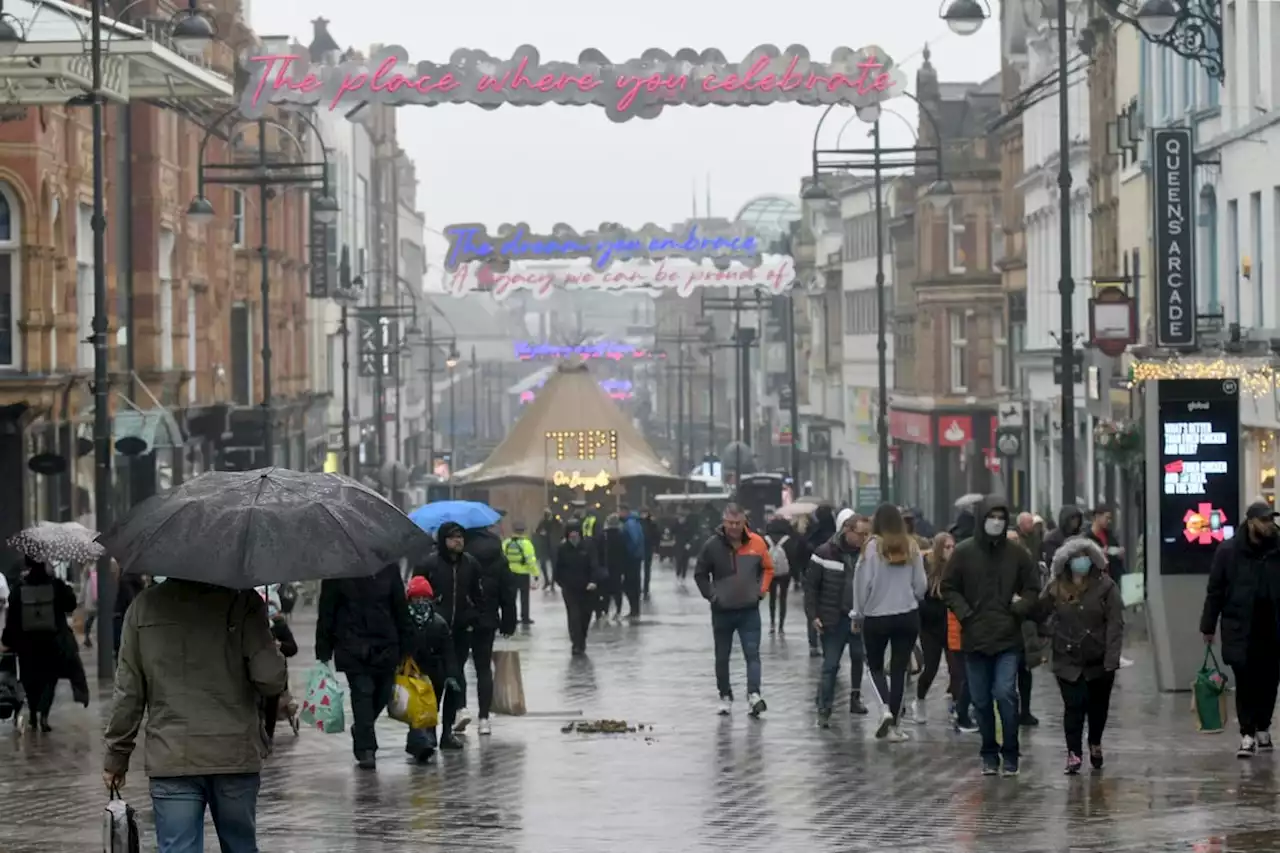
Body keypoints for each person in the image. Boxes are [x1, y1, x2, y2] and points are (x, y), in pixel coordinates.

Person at [103, 578, 287, 851]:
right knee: (240, 846)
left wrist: (117, 756)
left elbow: (129, 693)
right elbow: (270, 679)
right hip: (233, 752)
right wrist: (274, 652)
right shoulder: (243, 602)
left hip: (172, 753)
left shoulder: (144, 606)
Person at [941, 495, 1040, 776]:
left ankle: (1010, 752)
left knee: (1005, 694)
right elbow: (948, 587)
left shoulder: (1018, 554)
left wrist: (1019, 608)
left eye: (1000, 517)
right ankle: (989, 753)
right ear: (982, 519)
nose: (996, 522)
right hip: (975, 639)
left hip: (1008, 638)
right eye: (991, 516)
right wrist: (965, 613)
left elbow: (1033, 588)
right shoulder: (964, 552)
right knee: (981, 701)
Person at [1029, 536, 1123, 774]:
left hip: (1098, 659)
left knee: (1097, 707)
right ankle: (1073, 753)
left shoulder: (1106, 586)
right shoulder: (1056, 587)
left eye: (1085, 556)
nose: (1081, 562)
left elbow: (1115, 623)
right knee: (1074, 705)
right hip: (1066, 660)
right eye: (1075, 557)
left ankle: (1095, 742)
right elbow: (1039, 615)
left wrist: (1112, 658)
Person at [1200, 500, 1280, 758]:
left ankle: (1263, 726)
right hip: (1240, 626)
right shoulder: (1229, 551)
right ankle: (1247, 732)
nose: (1270, 525)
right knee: (1245, 680)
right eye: (1265, 520)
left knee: (1270, 680)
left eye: (1271, 520)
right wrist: (1208, 626)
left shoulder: (1278, 548)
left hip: (1273, 626)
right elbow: (1215, 591)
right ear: (1252, 522)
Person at [315, 563, 411, 770]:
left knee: (383, 694)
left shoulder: (388, 568)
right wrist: (323, 648)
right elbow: (327, 610)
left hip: (386, 644)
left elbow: (399, 606)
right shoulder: (338, 571)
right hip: (352, 644)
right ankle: (366, 748)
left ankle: (361, 729)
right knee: (362, 694)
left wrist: (407, 644)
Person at [851, 504, 927, 742]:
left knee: (873, 666)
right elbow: (921, 586)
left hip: (877, 616)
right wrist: (910, 597)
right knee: (899, 670)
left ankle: (884, 708)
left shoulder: (871, 548)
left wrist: (858, 614)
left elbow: (861, 585)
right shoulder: (911, 546)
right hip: (907, 616)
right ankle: (895, 725)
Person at [694, 504, 774, 717]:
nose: (734, 527)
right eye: (730, 523)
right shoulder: (712, 546)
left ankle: (754, 695)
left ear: (744, 521)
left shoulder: (757, 543)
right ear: (723, 522)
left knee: (752, 654)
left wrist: (762, 590)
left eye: (738, 523)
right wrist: (712, 595)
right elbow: (700, 574)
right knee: (722, 656)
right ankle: (725, 695)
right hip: (722, 611)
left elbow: (768, 568)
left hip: (749, 609)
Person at [413, 522, 482, 749]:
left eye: (461, 537)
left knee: (454, 682)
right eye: (453, 537)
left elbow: (478, 595)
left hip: (460, 634)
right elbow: (415, 594)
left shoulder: (471, 564)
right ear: (443, 540)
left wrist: (472, 618)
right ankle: (429, 731)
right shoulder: (428, 564)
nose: (458, 541)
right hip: (434, 635)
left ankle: (447, 733)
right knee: (434, 684)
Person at [0, 556, 88, 731]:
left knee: (29, 678)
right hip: (52, 641)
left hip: (27, 644)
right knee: (50, 679)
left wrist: (7, 640)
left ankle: (33, 712)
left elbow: (13, 618)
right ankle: (44, 716)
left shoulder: (19, 587)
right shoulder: (55, 585)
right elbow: (70, 605)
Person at [806, 510, 871, 725]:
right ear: (847, 530)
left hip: (859, 617)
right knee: (831, 664)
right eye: (861, 534)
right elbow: (811, 587)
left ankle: (855, 697)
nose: (864, 539)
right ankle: (824, 708)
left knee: (857, 656)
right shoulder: (824, 552)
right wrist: (813, 615)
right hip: (833, 618)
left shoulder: (867, 554)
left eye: (867, 535)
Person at [462, 523, 518, 736]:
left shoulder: (461, 556)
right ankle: (484, 718)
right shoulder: (498, 557)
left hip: (461, 620)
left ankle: (461, 710)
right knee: (483, 668)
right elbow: (508, 592)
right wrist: (509, 622)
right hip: (487, 619)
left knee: (457, 668)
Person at [403, 575, 462, 763]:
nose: (420, 602)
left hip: (435, 673)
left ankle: (442, 734)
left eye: (423, 598)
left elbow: (448, 652)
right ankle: (420, 743)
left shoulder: (439, 623)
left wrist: (451, 675)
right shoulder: (404, 623)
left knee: (433, 706)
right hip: (412, 675)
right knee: (417, 711)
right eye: (416, 598)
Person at [907, 531, 954, 725]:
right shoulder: (926, 565)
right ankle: (920, 700)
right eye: (947, 547)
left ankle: (957, 705)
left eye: (953, 547)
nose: (951, 551)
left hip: (950, 623)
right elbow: (917, 592)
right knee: (931, 668)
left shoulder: (955, 568)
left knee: (957, 668)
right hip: (929, 625)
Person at [556, 521, 608, 654]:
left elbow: (594, 565)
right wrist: (562, 583)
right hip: (570, 589)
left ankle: (582, 639)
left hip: (587, 589)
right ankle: (575, 643)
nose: (573, 535)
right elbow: (558, 569)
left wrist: (593, 581)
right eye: (570, 532)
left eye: (575, 532)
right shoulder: (563, 549)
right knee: (574, 617)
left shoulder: (588, 546)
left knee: (585, 616)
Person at [805, 505, 838, 657]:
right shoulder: (835, 534)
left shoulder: (813, 533)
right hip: (834, 578)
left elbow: (802, 550)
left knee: (813, 609)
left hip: (812, 575)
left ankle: (813, 643)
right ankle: (830, 644)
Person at [764, 513, 800, 636]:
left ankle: (772, 623)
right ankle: (781, 626)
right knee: (783, 598)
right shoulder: (788, 540)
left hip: (770, 572)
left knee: (772, 598)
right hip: (785, 573)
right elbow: (793, 559)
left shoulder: (766, 539)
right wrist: (796, 577)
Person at [502, 521, 540, 626]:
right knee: (524, 598)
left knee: (511, 597)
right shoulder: (526, 543)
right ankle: (525, 617)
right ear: (523, 531)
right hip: (523, 574)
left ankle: (511, 618)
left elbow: (501, 558)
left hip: (509, 574)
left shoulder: (506, 543)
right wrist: (536, 573)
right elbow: (530, 560)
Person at [599, 514, 631, 621]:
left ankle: (605, 611)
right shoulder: (621, 536)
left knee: (605, 590)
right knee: (617, 590)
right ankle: (618, 611)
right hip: (617, 567)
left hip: (606, 566)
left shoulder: (604, 536)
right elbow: (625, 552)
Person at [619, 505, 647, 615]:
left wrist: (627, 553)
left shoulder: (629, 524)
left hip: (632, 558)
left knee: (629, 584)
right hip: (636, 557)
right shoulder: (634, 522)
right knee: (633, 584)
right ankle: (634, 609)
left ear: (625, 511)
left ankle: (634, 609)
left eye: (620, 511)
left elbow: (634, 540)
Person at [534, 509, 558, 593]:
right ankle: (547, 581)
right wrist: (541, 533)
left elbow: (559, 531)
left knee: (554, 566)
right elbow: (537, 531)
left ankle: (552, 582)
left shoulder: (555, 522)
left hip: (552, 546)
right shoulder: (542, 522)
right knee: (543, 564)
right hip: (545, 546)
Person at [639, 508, 660, 599]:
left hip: (648, 548)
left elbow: (656, 535)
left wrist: (655, 547)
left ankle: (646, 588)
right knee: (638, 569)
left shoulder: (651, 523)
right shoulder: (638, 522)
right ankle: (640, 587)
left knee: (647, 569)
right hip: (640, 548)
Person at [79, 561, 98, 649]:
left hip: (92, 594)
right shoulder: (91, 569)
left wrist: (81, 599)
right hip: (94, 595)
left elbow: (83, 586)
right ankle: (88, 638)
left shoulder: (89, 568)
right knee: (92, 618)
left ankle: (87, 638)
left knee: (90, 618)